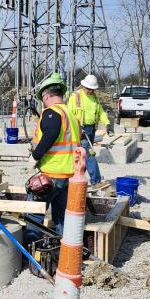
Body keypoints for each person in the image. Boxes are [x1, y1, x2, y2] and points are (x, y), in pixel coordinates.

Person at [26, 72, 80, 245]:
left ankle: (31, 250)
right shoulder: (70, 114)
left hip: (52, 173)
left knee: (34, 213)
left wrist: (35, 156)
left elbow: (51, 134)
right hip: (68, 175)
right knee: (61, 216)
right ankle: (64, 250)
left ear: (46, 95)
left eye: (43, 99)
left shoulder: (52, 112)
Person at [66, 74, 110, 185]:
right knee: (89, 153)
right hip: (80, 129)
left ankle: (77, 179)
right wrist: (77, 127)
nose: (91, 91)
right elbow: (69, 114)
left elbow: (100, 112)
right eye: (89, 88)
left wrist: (107, 123)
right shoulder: (75, 96)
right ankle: (96, 181)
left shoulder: (94, 97)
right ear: (83, 86)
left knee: (83, 155)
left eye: (93, 89)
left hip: (91, 130)